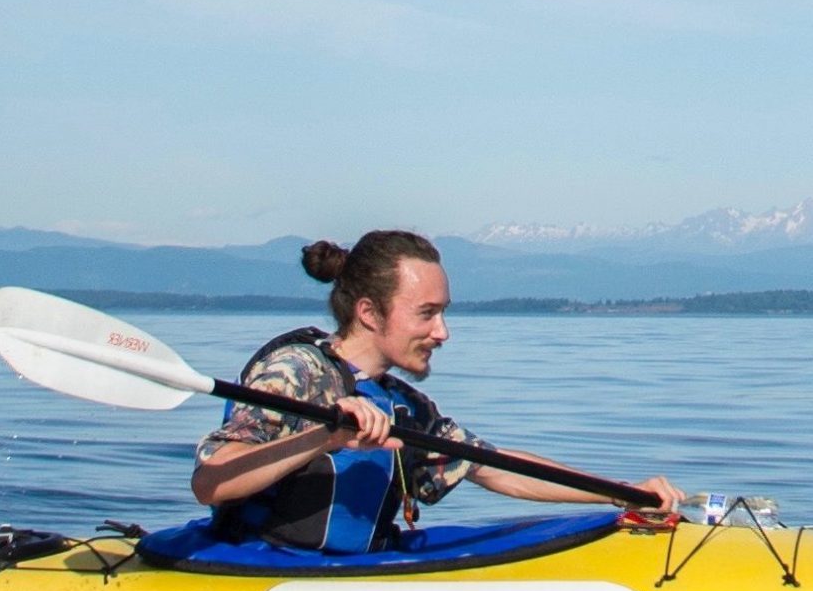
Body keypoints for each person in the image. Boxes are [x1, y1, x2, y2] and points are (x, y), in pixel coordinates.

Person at [191, 230, 684, 551]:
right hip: (256, 572)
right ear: (369, 313)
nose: (443, 332)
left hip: (352, 575)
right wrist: (324, 437)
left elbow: (496, 470)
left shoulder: (403, 405)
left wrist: (621, 495)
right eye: (427, 313)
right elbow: (210, 483)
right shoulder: (293, 372)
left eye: (443, 312)